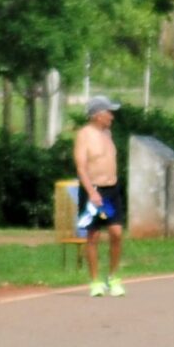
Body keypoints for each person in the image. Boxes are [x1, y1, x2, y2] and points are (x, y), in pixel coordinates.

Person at [71, 96, 127, 297]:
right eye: (108, 112)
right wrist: (91, 192)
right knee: (93, 235)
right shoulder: (84, 135)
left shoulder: (108, 133)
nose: (112, 116)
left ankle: (113, 277)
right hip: (93, 190)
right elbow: (81, 166)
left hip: (111, 189)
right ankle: (95, 281)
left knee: (117, 233)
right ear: (97, 115)